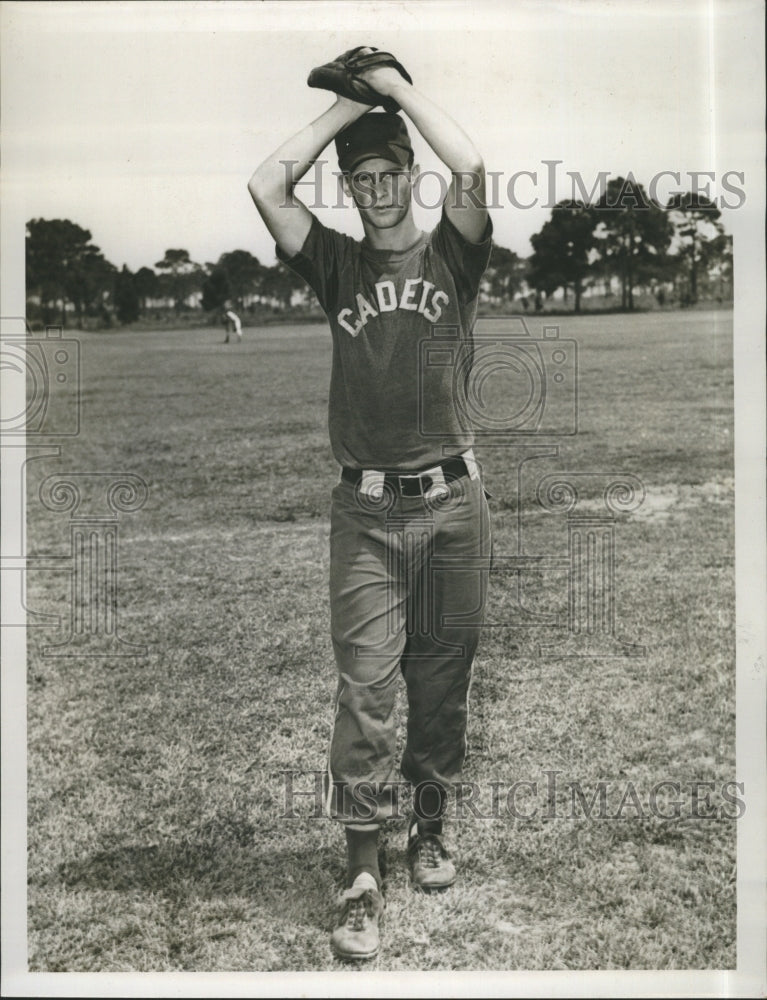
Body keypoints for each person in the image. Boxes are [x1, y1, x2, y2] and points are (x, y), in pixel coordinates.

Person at [248, 51, 492, 961]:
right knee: (365, 692)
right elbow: (265, 182)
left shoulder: (454, 254)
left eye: (393, 175)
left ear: (411, 181)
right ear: (349, 190)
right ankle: (360, 869)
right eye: (364, 180)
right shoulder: (335, 265)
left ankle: (427, 827)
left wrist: (394, 93)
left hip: (454, 504)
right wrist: (346, 116)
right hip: (366, 513)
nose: (380, 191)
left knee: (438, 688)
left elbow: (470, 169)